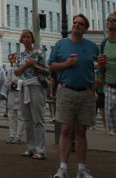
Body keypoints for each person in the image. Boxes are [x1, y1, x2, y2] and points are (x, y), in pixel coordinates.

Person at [49, 13, 99, 178]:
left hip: (85, 92)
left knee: (81, 131)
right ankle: (62, 168)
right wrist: (65, 64)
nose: (76, 25)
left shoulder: (92, 47)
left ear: (85, 29)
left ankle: (81, 169)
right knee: (65, 130)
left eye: (80, 24)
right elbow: (51, 66)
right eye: (75, 22)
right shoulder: (61, 44)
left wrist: (97, 82)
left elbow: (100, 66)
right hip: (66, 90)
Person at [14, 29, 50, 158]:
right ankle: (31, 147)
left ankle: (40, 149)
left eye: (28, 37)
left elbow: (47, 70)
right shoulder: (20, 55)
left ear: (32, 39)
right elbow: (16, 72)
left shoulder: (38, 53)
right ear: (21, 40)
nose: (26, 40)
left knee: (37, 119)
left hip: (35, 85)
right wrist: (26, 65)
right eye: (24, 37)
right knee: (27, 118)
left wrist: (35, 66)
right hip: (23, 86)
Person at [99, 10, 116, 135]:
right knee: (112, 130)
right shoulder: (104, 43)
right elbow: (102, 71)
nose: (110, 21)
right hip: (109, 87)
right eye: (108, 19)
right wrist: (101, 64)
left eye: (113, 20)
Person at [4, 52, 23, 144]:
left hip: (21, 95)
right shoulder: (11, 70)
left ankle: (18, 136)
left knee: (20, 116)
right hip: (12, 95)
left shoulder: (24, 70)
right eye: (14, 58)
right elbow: (6, 83)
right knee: (11, 116)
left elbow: (24, 81)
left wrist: (17, 84)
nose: (16, 60)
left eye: (17, 59)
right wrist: (12, 85)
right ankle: (12, 135)